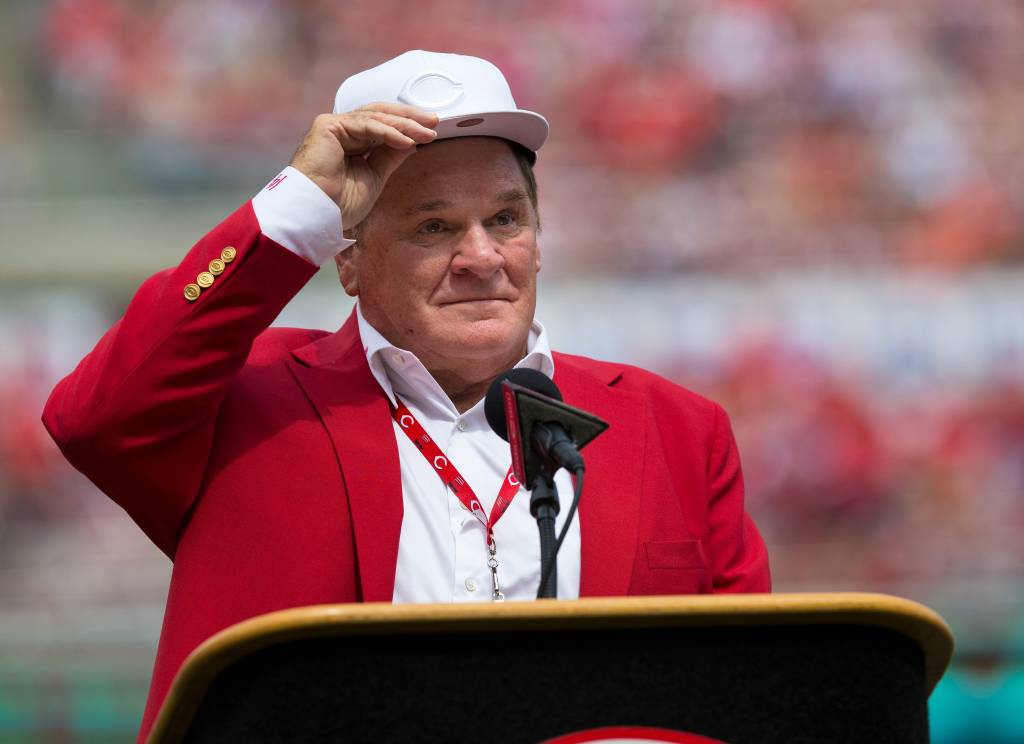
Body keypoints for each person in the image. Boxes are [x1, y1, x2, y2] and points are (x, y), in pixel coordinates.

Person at [42, 50, 770, 741]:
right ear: (348, 262)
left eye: (506, 219)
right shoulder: (244, 401)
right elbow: (94, 420)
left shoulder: (677, 428)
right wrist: (298, 207)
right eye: (434, 226)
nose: (481, 256)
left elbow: (751, 694)